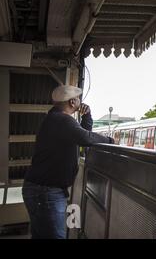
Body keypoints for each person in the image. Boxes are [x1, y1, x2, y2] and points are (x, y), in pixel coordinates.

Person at [22, 85, 114, 239]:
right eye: (78, 99)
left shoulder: (56, 119)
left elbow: (82, 135)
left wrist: (87, 116)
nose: (80, 101)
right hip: (46, 192)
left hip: (41, 190)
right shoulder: (61, 120)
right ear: (72, 102)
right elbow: (86, 138)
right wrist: (111, 141)